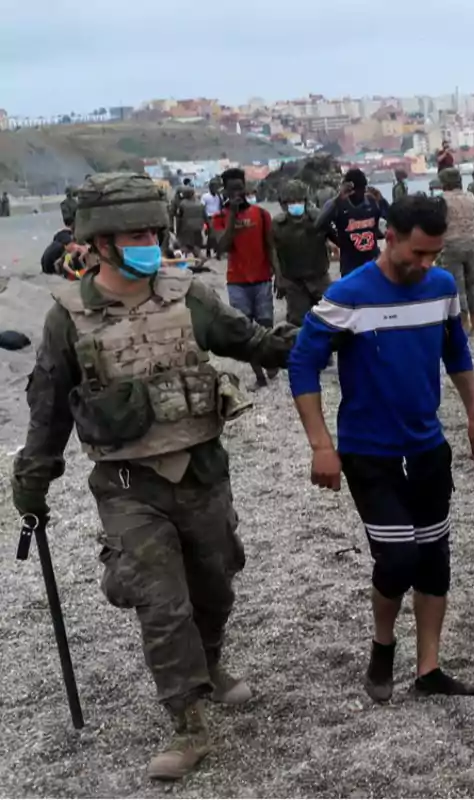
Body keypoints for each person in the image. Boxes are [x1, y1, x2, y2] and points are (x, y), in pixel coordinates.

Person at [10, 172, 295, 780]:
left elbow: (252, 342)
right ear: (101, 242)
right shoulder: (68, 317)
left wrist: (317, 336)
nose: (147, 242)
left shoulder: (186, 295)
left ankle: (210, 663)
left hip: (202, 469)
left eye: (151, 232)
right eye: (133, 234)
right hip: (127, 485)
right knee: (162, 604)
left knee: (215, 584)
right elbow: (50, 408)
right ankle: (187, 721)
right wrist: (32, 483)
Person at [289, 194, 474, 704]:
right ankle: (383, 645)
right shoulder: (349, 295)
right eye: (417, 254)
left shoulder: (442, 287)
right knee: (398, 559)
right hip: (368, 452)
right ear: (390, 238)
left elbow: (456, 351)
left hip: (427, 446)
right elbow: (301, 364)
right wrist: (321, 445)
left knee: (434, 560)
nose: (426, 265)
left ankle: (429, 669)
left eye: (434, 255)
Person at [212, 168, 280, 388]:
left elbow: (270, 247)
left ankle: (270, 361)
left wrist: (278, 275)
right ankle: (259, 376)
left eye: (240, 189)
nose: (237, 194)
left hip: (261, 279)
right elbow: (222, 246)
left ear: (245, 188)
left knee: (266, 324)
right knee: (244, 331)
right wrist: (232, 214)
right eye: (232, 191)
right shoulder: (219, 217)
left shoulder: (261, 214)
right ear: (225, 191)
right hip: (237, 282)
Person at [437, 167, 474, 332]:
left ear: (444, 183)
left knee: (457, 285)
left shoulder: (442, 201)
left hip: (450, 245)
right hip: (470, 244)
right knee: (471, 283)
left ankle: (463, 323)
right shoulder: (471, 197)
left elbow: (437, 225)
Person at [271, 180, 333, 327]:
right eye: (291, 201)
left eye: (299, 200)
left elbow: (335, 238)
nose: (295, 204)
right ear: (283, 204)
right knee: (298, 324)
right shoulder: (278, 225)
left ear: (306, 201)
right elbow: (274, 251)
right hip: (294, 283)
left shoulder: (318, 218)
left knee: (329, 320)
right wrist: (279, 278)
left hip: (319, 279)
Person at [316, 168, 386, 277]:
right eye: (358, 190)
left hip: (372, 260)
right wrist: (337, 240)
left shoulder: (372, 202)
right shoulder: (338, 204)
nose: (361, 194)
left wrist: (382, 201)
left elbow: (391, 218)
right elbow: (319, 224)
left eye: (363, 189)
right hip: (350, 265)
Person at [174, 187, 207, 260]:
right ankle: (200, 258)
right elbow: (205, 217)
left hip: (186, 229)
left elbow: (178, 219)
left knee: (185, 246)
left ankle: (178, 259)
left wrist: (177, 231)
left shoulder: (182, 204)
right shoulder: (200, 204)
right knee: (195, 246)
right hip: (198, 228)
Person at [201, 179, 222, 257]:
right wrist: (205, 219)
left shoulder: (219, 196)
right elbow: (202, 208)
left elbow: (221, 206)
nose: (216, 189)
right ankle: (208, 250)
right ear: (210, 188)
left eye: (217, 187)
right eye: (214, 187)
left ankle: (217, 251)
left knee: (218, 235)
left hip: (218, 217)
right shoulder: (205, 196)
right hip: (209, 217)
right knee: (211, 236)